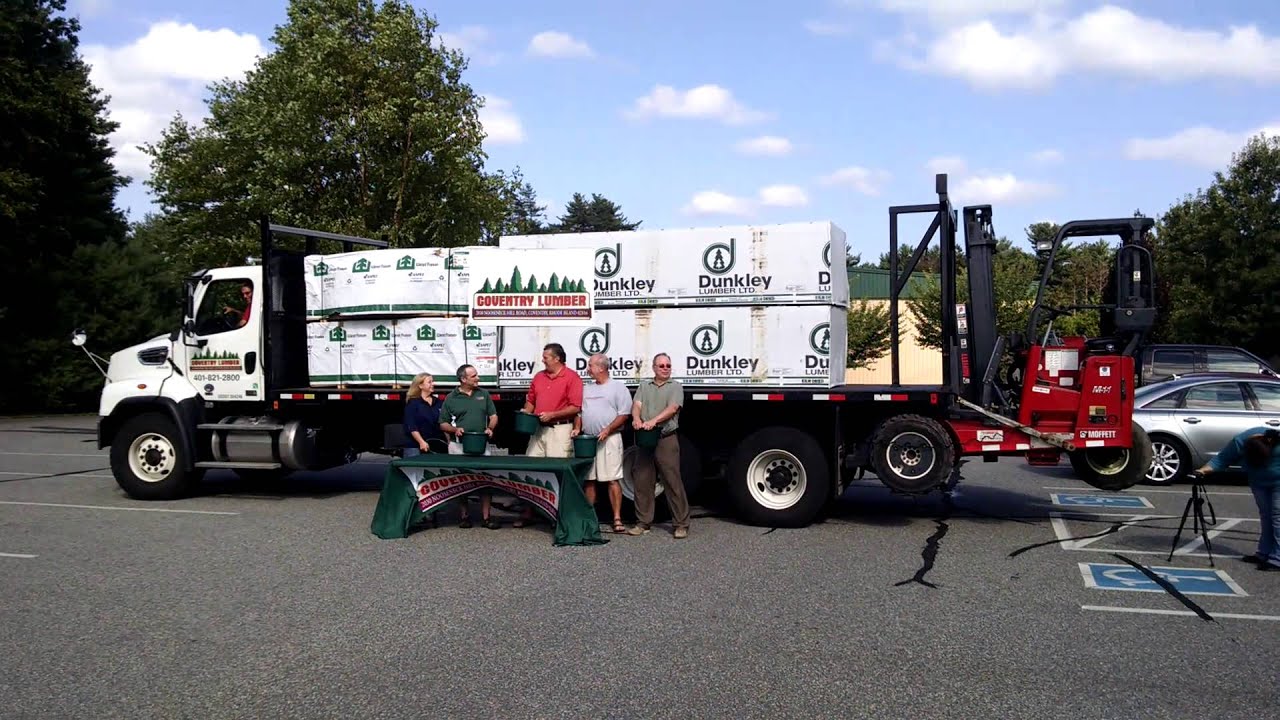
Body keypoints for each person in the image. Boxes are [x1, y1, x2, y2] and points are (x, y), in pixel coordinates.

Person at [516, 342, 584, 527]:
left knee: (558, 471)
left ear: (557, 359)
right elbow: (531, 400)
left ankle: (558, 515)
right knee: (529, 468)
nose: (543, 360)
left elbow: (575, 407)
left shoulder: (572, 377)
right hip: (539, 429)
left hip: (560, 429)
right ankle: (529, 511)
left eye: (546, 357)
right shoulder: (539, 377)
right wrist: (525, 414)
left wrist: (553, 414)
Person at [1196, 427, 1280, 571]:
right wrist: (1202, 470)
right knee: (1266, 516)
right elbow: (1222, 459)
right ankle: (1263, 553)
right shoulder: (1240, 442)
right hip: (1258, 482)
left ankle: (1277, 558)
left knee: (1278, 517)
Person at [627, 352, 690, 539]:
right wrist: (636, 419)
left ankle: (681, 524)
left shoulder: (675, 387)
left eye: (668, 366)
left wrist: (653, 421)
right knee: (642, 480)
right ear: (654, 368)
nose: (665, 369)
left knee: (672, 480)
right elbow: (637, 404)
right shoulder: (645, 386)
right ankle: (643, 522)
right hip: (645, 438)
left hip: (665, 438)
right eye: (661, 366)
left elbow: (673, 409)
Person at [571, 353, 632, 534]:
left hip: (610, 439)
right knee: (589, 480)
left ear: (601, 368)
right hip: (589, 440)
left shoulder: (618, 388)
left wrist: (608, 430)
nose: (587, 369)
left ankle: (617, 519)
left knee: (612, 479)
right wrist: (577, 428)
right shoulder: (587, 389)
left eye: (590, 365)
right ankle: (590, 518)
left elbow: (624, 415)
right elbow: (580, 413)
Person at [438, 364, 500, 529]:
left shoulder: (484, 394)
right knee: (461, 481)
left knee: (486, 480)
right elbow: (443, 423)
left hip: (481, 444)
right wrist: (454, 429)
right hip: (458, 446)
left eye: (477, 375)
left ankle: (486, 518)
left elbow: (493, 416)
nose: (478, 378)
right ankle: (464, 517)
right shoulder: (451, 398)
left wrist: (490, 428)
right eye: (474, 376)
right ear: (463, 379)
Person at [402, 373, 445, 457]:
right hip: (415, 447)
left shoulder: (438, 403)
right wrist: (421, 442)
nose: (433, 384)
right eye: (429, 382)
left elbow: (443, 422)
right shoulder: (413, 403)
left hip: (435, 446)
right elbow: (411, 426)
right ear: (420, 385)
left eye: (433, 381)